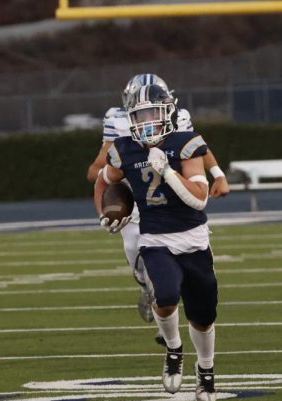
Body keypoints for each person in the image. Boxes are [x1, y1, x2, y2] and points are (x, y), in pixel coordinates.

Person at [94, 83, 218, 401]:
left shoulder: (187, 144)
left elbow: (200, 200)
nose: (146, 121)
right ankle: (174, 349)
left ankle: (205, 371)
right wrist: (104, 215)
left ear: (168, 113)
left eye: (152, 113)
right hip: (155, 237)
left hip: (193, 239)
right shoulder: (125, 149)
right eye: (140, 115)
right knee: (164, 294)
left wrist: (169, 173)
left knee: (203, 316)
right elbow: (103, 180)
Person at [86, 73, 228, 334]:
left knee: (183, 268)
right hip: (135, 192)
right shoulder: (117, 119)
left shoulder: (178, 117)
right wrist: (107, 179)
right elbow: (102, 162)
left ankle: (167, 322)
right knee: (133, 250)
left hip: (171, 192)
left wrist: (217, 173)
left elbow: (196, 146)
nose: (147, 117)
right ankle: (146, 287)